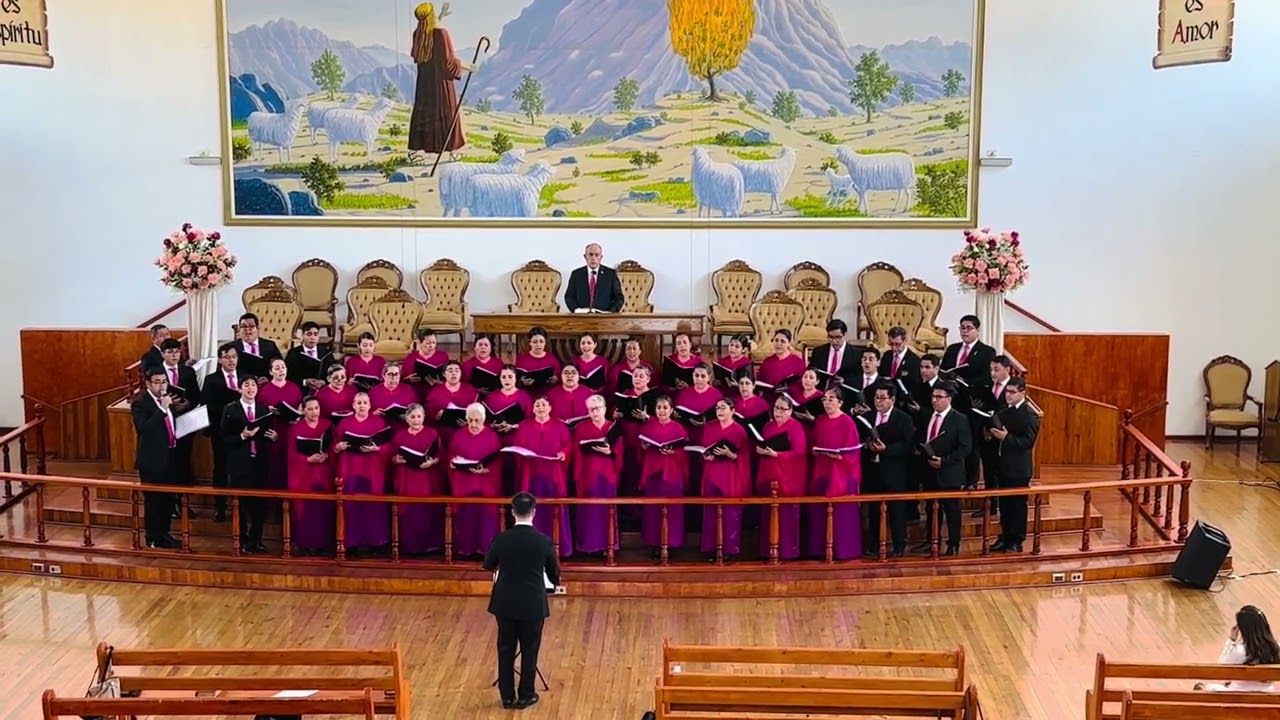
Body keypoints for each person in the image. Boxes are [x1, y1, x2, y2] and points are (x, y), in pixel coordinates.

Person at [483, 492, 561, 710]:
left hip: (505, 603)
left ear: (512, 512)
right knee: (530, 649)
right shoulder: (544, 542)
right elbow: (554, 573)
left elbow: (488, 564)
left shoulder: (502, 539)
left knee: (505, 648)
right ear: (534, 513)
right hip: (532, 603)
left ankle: (507, 696)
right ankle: (526, 694)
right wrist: (553, 583)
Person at [407, 2, 472, 158]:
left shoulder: (418, 34)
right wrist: (468, 67)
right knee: (448, 115)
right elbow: (448, 64)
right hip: (441, 85)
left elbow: (430, 35)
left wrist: (441, 17)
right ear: (431, 17)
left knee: (424, 116)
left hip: (424, 86)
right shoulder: (442, 34)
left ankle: (415, 152)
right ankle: (453, 152)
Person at [914, 383, 972, 556]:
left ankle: (953, 544)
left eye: (939, 397)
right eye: (933, 396)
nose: (934, 400)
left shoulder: (959, 419)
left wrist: (945, 461)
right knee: (931, 509)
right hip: (929, 470)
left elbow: (965, 447)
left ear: (949, 399)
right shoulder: (927, 416)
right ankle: (932, 541)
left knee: (952, 510)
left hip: (950, 473)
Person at [221, 377, 277, 553]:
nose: (251, 388)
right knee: (242, 506)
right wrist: (242, 436)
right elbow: (223, 439)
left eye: (253, 385)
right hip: (239, 464)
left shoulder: (263, 409)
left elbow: (268, 435)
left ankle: (256, 540)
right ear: (240, 389)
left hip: (259, 462)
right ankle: (243, 541)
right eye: (247, 385)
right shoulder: (230, 409)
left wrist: (274, 437)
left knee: (259, 505)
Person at [859, 382, 916, 557]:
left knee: (896, 511)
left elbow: (908, 445)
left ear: (892, 399)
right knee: (874, 511)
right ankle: (874, 544)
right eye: (876, 397)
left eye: (883, 398)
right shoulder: (867, 417)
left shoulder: (903, 418)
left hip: (894, 472)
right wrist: (867, 445)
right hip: (873, 470)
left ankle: (899, 545)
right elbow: (861, 439)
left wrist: (887, 449)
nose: (878, 401)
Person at [940, 314, 996, 488]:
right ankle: (955, 478)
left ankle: (971, 481)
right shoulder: (952, 349)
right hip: (954, 401)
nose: (965, 331)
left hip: (972, 402)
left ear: (977, 330)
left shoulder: (987, 351)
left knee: (971, 443)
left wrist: (966, 382)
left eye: (969, 328)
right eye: (962, 327)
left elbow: (987, 377)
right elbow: (946, 370)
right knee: (952, 441)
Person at [989, 377, 1040, 553]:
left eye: (1012, 392)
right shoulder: (1005, 411)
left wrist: (1006, 438)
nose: (1008, 395)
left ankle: (1016, 540)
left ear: (1023, 393)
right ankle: (1005, 536)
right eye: (1007, 392)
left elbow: (1028, 442)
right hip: (1003, 466)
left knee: (1017, 506)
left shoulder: (1029, 414)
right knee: (1004, 505)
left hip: (1018, 469)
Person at [132, 367, 179, 549]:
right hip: (152, 461)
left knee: (167, 500)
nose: (161, 386)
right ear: (148, 384)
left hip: (169, 457)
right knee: (154, 501)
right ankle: (152, 537)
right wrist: (162, 409)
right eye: (157, 382)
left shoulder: (166, 400)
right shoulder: (141, 403)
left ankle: (164, 535)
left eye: (164, 381)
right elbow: (144, 429)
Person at [201, 343, 243, 522]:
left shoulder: (245, 377)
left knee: (241, 469)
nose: (231, 360)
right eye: (227, 357)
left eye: (233, 356)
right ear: (220, 360)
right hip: (221, 431)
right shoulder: (211, 379)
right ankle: (220, 506)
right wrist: (231, 401)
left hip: (243, 431)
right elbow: (206, 405)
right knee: (221, 468)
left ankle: (241, 504)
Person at [1194, 606, 1280, 692]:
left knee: (1208, 687)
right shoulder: (1276, 649)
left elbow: (1221, 668)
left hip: (1238, 695)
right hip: (1266, 694)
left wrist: (1231, 641)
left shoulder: (1239, 652)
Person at [564, 243, 624, 313]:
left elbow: (619, 298)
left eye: (597, 255)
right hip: (581, 317)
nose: (593, 258)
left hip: (604, 318)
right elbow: (569, 296)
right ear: (585, 256)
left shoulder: (610, 274)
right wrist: (576, 310)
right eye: (590, 254)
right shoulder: (576, 274)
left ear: (601, 257)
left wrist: (610, 313)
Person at [234, 312, 284, 382]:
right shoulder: (232, 348)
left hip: (266, 385)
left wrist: (268, 378)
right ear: (239, 329)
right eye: (244, 326)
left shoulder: (270, 346)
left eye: (251, 326)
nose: (247, 329)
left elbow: (279, 367)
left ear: (258, 328)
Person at [807, 320, 858, 386]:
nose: (834, 341)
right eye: (831, 337)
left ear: (845, 335)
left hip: (844, 392)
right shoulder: (818, 352)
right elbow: (812, 370)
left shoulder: (855, 354)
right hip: (822, 390)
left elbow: (858, 377)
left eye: (838, 337)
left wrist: (845, 381)